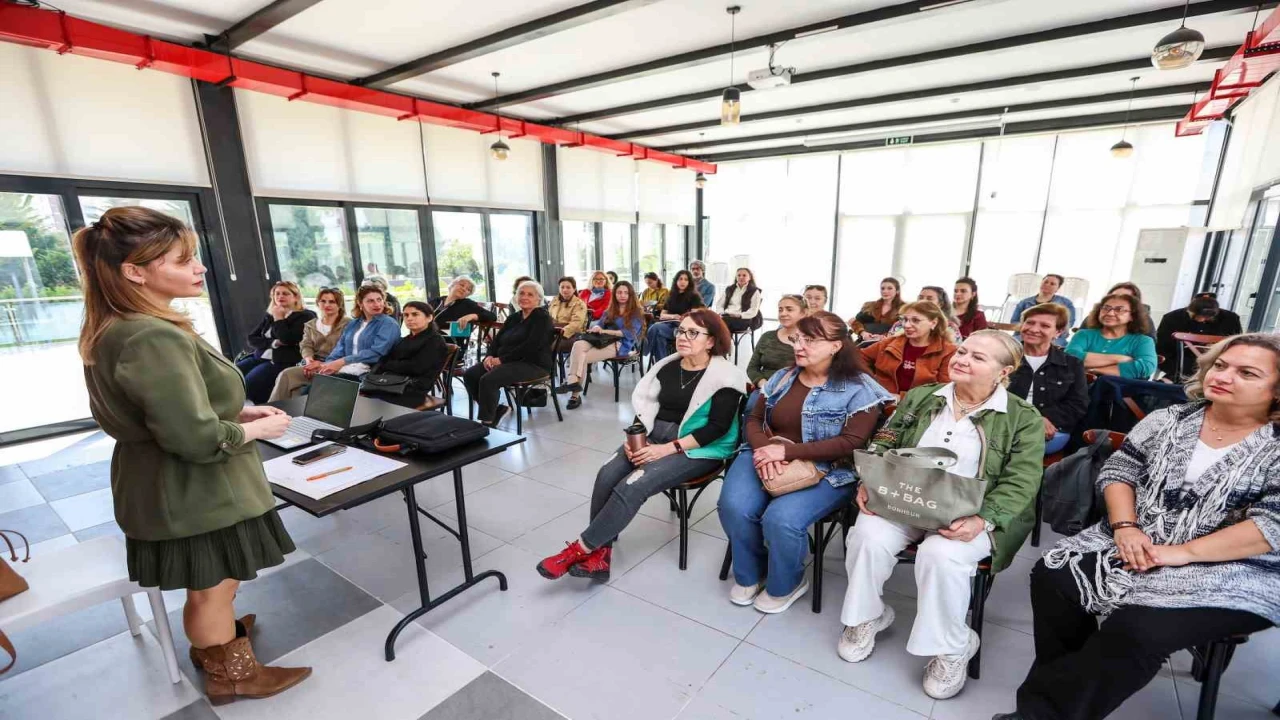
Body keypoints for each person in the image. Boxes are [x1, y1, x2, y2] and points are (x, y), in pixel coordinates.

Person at [74, 207, 310, 704]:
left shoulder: (118, 325)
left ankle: (216, 642)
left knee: (211, 585)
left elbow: (164, 411)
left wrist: (236, 411)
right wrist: (261, 427)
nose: (200, 268)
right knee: (212, 585)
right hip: (194, 490)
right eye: (183, 260)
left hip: (165, 484)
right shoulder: (150, 334)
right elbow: (194, 439)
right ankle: (231, 674)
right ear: (135, 271)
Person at [995, 334, 1280, 720]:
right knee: (1053, 575)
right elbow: (1120, 469)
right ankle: (1075, 682)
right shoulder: (1170, 419)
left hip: (1237, 566)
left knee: (1139, 630)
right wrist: (1125, 527)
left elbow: (1271, 525)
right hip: (1141, 535)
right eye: (1221, 365)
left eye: (1246, 373)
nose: (1223, 376)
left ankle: (1042, 712)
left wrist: (1178, 554)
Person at [839, 330, 1045, 701]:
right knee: (868, 534)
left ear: (1004, 371)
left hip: (972, 512)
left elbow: (1024, 478)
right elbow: (886, 438)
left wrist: (984, 519)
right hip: (907, 497)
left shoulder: (1022, 418)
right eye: (962, 350)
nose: (962, 359)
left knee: (941, 554)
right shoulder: (921, 397)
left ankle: (953, 646)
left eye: (978, 357)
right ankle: (867, 616)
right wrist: (872, 479)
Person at [536, 309, 747, 581]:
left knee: (632, 484)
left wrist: (666, 449)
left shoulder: (726, 376)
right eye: (681, 330)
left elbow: (716, 429)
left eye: (693, 332)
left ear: (711, 341)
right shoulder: (669, 366)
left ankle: (580, 549)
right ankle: (601, 556)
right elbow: (645, 407)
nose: (683, 337)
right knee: (607, 473)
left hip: (698, 447)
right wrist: (634, 439)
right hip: (654, 436)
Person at [719, 311, 893, 613]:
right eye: (798, 338)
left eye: (810, 340)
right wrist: (764, 451)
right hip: (765, 452)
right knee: (734, 505)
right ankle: (751, 572)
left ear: (836, 346)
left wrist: (785, 453)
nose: (799, 346)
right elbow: (755, 419)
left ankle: (787, 582)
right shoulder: (783, 377)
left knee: (781, 519)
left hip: (829, 469)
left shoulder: (859, 387)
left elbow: (850, 443)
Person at [462, 280, 555, 427]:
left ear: (539, 299)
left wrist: (502, 360)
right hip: (507, 361)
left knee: (489, 379)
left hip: (533, 364)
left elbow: (530, 347)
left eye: (530, 294)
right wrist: (490, 356)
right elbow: (497, 341)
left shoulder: (543, 319)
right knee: (471, 374)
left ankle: (487, 422)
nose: (524, 297)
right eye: (521, 293)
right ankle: (496, 409)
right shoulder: (514, 317)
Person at [1009, 304, 1088, 455]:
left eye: (1044, 325)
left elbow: (1078, 404)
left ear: (1058, 332)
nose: (1033, 329)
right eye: (1030, 322)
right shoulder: (1004, 356)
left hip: (1051, 429)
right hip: (1004, 423)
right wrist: (1032, 419)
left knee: (1026, 443)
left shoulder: (1071, 364)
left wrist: (1043, 419)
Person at [558, 280, 645, 410]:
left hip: (620, 344)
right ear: (615, 294)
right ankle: (573, 382)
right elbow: (600, 323)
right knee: (578, 345)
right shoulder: (610, 310)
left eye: (626, 293)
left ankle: (574, 395)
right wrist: (598, 326)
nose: (622, 295)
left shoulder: (636, 313)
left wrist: (604, 331)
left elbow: (627, 334)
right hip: (601, 340)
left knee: (582, 357)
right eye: (619, 292)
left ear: (631, 295)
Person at [235, 281, 316, 404]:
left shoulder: (305, 316)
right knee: (231, 376)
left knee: (248, 384)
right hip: (259, 356)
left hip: (281, 361)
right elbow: (252, 338)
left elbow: (287, 339)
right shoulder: (270, 314)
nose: (280, 297)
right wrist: (273, 343)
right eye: (277, 294)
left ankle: (260, 410)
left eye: (285, 293)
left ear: (295, 297)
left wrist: (279, 319)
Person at [268, 287, 351, 401]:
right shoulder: (310, 324)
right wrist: (309, 360)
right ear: (318, 303)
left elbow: (348, 349)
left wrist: (322, 364)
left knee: (297, 388)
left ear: (339, 304)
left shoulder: (349, 324)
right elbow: (305, 345)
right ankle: (272, 412)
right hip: (312, 364)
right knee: (286, 375)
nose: (327, 305)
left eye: (332, 301)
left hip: (336, 365)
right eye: (323, 301)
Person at [862, 301, 957, 398]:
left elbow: (943, 390)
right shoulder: (890, 343)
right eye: (905, 319)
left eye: (915, 320)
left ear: (933, 323)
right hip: (881, 402)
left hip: (918, 409)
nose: (906, 325)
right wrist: (871, 383)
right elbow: (858, 359)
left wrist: (902, 398)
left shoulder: (948, 351)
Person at [365, 301, 449, 409]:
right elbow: (384, 360)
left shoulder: (435, 340)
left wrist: (388, 365)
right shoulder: (404, 340)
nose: (409, 318)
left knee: (372, 403)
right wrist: (389, 364)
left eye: (415, 314)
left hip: (411, 389)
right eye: (406, 315)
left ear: (429, 318)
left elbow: (416, 368)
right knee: (360, 395)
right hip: (391, 383)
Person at [316, 285, 401, 380]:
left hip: (369, 373)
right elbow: (340, 348)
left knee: (321, 385)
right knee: (316, 379)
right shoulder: (353, 324)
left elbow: (377, 353)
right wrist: (329, 364)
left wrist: (343, 361)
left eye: (379, 300)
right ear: (360, 304)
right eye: (370, 301)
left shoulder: (388, 324)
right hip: (346, 368)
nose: (377, 304)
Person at [1065, 293, 1157, 379]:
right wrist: (1120, 359)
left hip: (1120, 392)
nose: (1110, 313)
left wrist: (1095, 371)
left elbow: (1146, 367)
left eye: (1119, 309)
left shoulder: (1143, 341)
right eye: (1106, 308)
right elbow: (1070, 358)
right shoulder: (1084, 334)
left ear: (1132, 316)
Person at [1156, 293, 1243, 379]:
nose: (1201, 320)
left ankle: (1170, 380)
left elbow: (1237, 344)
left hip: (1216, 359)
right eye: (1197, 316)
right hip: (1178, 358)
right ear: (1188, 310)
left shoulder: (1230, 319)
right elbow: (1162, 345)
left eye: (1207, 317)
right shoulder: (1172, 317)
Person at [645, 269, 704, 363]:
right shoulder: (671, 296)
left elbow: (694, 316)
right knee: (659, 337)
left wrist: (681, 318)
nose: (683, 282)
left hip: (684, 329)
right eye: (680, 279)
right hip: (669, 325)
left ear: (689, 282)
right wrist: (674, 316)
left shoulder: (694, 296)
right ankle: (663, 365)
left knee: (655, 328)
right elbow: (662, 315)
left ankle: (645, 352)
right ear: (676, 281)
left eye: (686, 279)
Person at [744, 295, 802, 389]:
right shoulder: (767, 337)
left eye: (789, 309)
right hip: (764, 387)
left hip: (792, 390)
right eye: (780, 310)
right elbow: (752, 368)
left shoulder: (809, 342)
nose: (783, 313)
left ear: (803, 313)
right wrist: (762, 383)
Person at [1010, 274, 1077, 347]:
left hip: (1054, 339)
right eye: (1045, 282)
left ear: (1058, 288)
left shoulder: (1066, 303)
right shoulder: (1024, 302)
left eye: (1052, 284)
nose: (1048, 285)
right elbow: (1014, 321)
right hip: (1024, 336)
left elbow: (1068, 323)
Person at [887, 287, 963, 345]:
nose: (923, 301)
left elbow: (956, 354)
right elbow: (888, 345)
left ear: (940, 304)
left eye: (929, 299)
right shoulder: (900, 324)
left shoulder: (950, 327)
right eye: (920, 297)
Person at [548, 276, 589, 354]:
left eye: (568, 287)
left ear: (574, 289)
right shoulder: (554, 301)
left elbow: (576, 324)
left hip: (572, 334)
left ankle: (549, 366)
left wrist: (561, 332)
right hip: (554, 332)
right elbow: (549, 318)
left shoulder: (579, 304)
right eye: (562, 287)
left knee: (547, 347)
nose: (565, 290)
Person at [717, 267, 763, 333]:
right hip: (727, 316)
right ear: (736, 277)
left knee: (721, 324)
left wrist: (740, 315)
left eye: (744, 275)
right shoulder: (729, 289)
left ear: (749, 278)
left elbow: (753, 310)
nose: (741, 277)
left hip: (743, 319)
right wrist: (721, 313)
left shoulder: (754, 291)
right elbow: (720, 304)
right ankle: (724, 342)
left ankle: (723, 342)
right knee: (713, 321)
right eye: (739, 275)